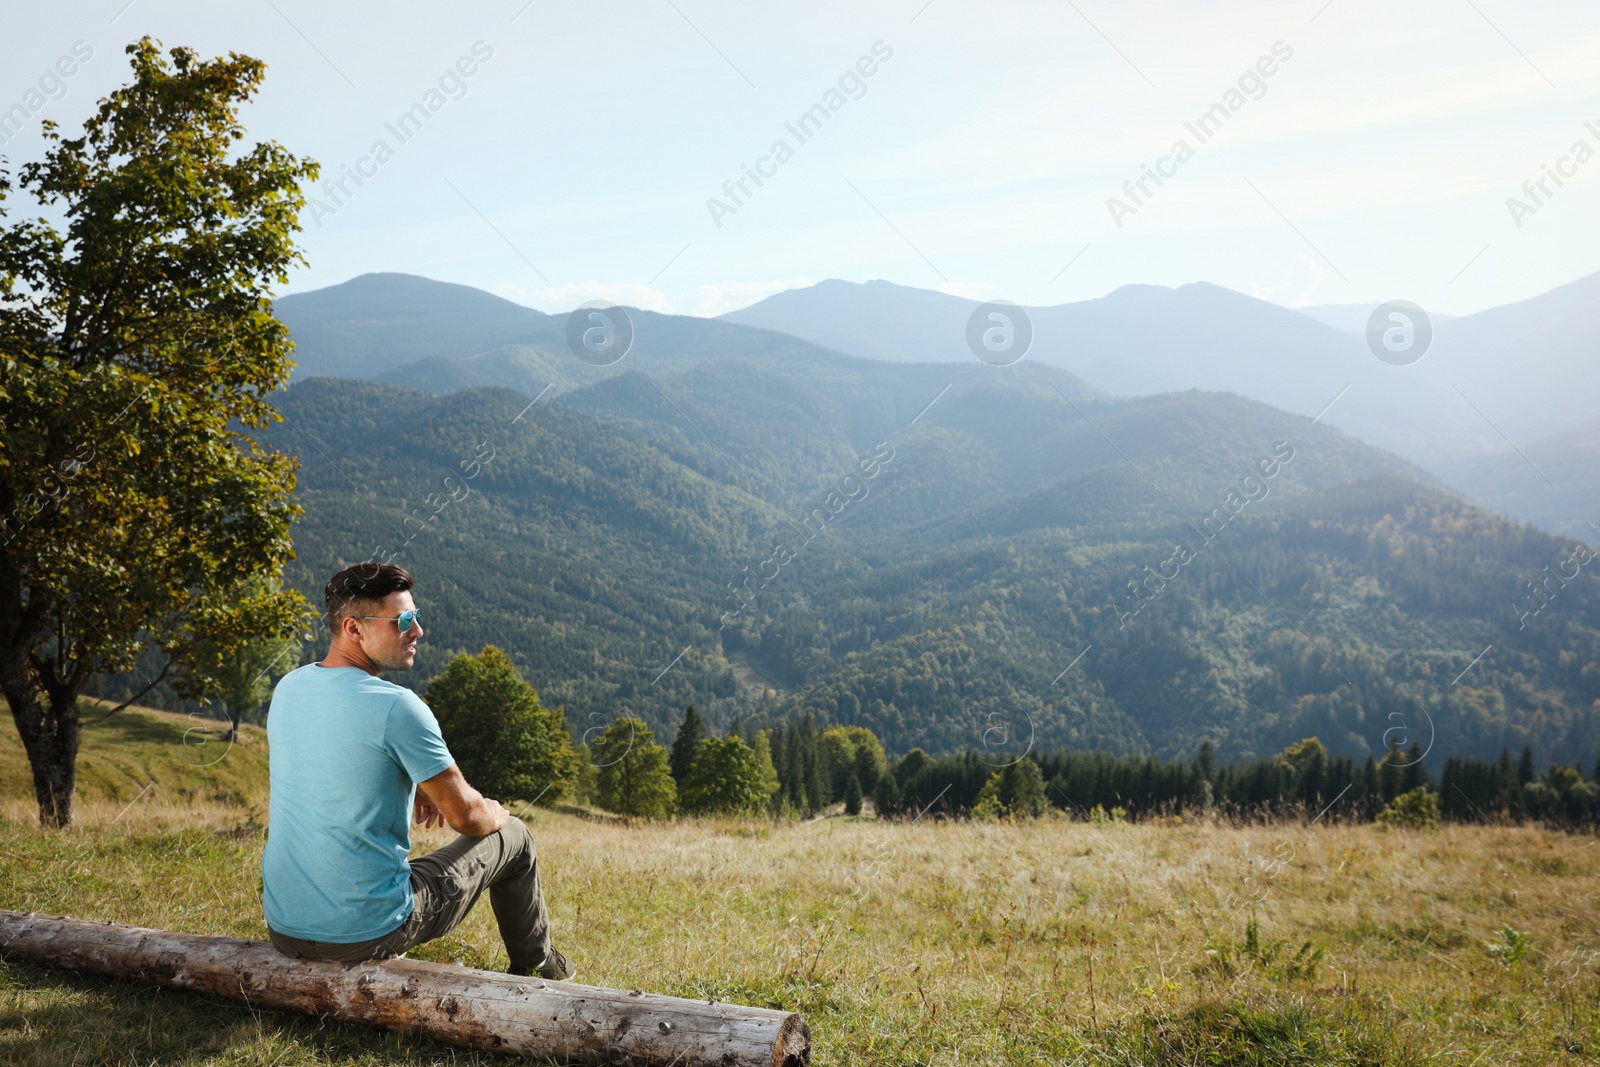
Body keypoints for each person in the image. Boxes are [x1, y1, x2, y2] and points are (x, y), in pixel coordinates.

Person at [260, 561, 576, 980]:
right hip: (368, 933)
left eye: (417, 616)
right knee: (514, 837)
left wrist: (414, 780)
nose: (417, 631)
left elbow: (335, 762)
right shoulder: (397, 706)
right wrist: (498, 812)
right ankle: (538, 966)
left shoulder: (289, 687)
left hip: (286, 929)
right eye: (403, 620)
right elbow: (466, 818)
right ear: (354, 628)